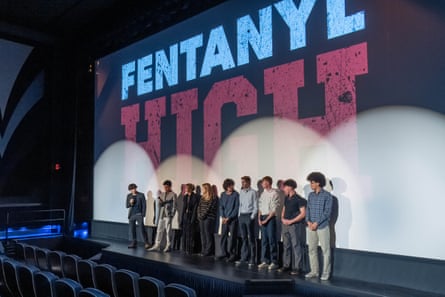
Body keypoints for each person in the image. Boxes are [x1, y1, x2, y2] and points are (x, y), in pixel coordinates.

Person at [305, 172, 333, 281]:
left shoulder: (327, 196)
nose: (310, 185)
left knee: (325, 251)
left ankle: (325, 273)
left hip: (322, 226)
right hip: (310, 226)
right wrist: (308, 222)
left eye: (312, 183)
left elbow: (327, 212)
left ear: (318, 183)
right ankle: (314, 271)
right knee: (312, 249)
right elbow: (308, 209)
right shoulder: (310, 195)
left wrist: (316, 223)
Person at [278, 179, 307, 276]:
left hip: (294, 225)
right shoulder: (286, 198)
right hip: (285, 224)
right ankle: (286, 265)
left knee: (296, 245)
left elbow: (303, 214)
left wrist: (291, 221)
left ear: (290, 187)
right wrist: (282, 218)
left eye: (285, 187)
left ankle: (297, 267)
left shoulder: (300, 199)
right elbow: (284, 208)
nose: (283, 189)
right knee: (286, 245)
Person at [257, 176, 280, 270]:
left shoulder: (274, 193)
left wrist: (266, 220)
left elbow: (274, 210)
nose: (262, 184)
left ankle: (274, 261)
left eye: (263, 182)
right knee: (264, 241)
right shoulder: (263, 193)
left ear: (268, 183)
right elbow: (260, 207)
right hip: (262, 217)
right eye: (262, 183)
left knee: (271, 240)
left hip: (270, 218)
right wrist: (259, 218)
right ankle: (265, 261)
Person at [235, 176, 258, 267]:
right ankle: (243, 258)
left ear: (248, 182)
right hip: (242, 216)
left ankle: (252, 258)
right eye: (242, 182)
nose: (242, 184)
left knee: (251, 238)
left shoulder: (253, 192)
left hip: (249, 216)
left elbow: (256, 205)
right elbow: (240, 205)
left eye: (244, 182)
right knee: (244, 238)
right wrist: (239, 215)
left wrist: (252, 217)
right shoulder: (241, 192)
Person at [149, 180, 177, 252]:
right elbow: (159, 205)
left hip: (168, 215)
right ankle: (157, 245)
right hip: (162, 214)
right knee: (159, 230)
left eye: (167, 187)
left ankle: (168, 246)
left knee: (168, 231)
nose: (165, 188)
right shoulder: (162, 194)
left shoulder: (173, 194)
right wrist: (160, 202)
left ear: (170, 186)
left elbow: (175, 206)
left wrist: (172, 214)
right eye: (164, 187)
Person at [217, 178, 240, 262]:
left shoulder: (236, 194)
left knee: (233, 237)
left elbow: (236, 208)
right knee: (223, 236)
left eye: (232, 185)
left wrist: (229, 218)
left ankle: (232, 254)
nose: (232, 187)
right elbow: (221, 206)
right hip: (224, 219)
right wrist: (223, 217)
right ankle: (223, 253)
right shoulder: (223, 194)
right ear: (226, 186)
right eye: (230, 186)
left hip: (232, 220)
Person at [126, 183, 150, 249]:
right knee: (132, 229)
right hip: (131, 215)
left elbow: (144, 205)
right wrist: (130, 203)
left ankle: (146, 243)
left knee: (142, 229)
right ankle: (134, 243)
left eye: (134, 188)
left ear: (136, 188)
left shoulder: (141, 195)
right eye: (131, 189)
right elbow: (127, 206)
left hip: (139, 214)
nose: (133, 190)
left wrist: (143, 214)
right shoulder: (129, 196)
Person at [197, 183, 218, 256]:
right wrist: (199, 215)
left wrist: (203, 215)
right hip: (201, 218)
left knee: (207, 234)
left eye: (203, 188)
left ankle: (208, 251)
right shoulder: (202, 197)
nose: (202, 190)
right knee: (202, 234)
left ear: (206, 189)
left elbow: (209, 208)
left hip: (208, 218)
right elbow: (199, 207)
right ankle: (203, 250)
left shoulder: (213, 197)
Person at [181, 183, 200, 254]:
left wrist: (193, 219)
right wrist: (182, 218)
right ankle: (184, 248)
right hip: (185, 216)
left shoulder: (195, 196)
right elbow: (184, 208)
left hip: (191, 216)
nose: (185, 189)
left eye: (186, 187)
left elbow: (195, 209)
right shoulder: (185, 196)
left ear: (190, 188)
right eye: (185, 188)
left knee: (190, 234)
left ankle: (189, 249)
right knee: (185, 233)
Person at [172, 184, 186, 251]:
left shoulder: (182, 196)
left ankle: (177, 247)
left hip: (182, 217)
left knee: (179, 233)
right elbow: (177, 207)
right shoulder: (180, 197)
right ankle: (176, 247)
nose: (185, 189)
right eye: (185, 188)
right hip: (181, 217)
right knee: (178, 233)